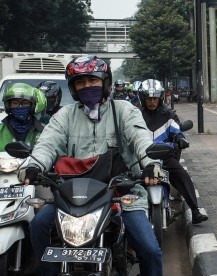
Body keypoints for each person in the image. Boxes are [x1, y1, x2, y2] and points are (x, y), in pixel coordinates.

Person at [20, 55, 163, 276]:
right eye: (80, 82)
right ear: (73, 87)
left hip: (119, 191)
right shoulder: (64, 115)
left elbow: (141, 138)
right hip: (72, 194)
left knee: (150, 250)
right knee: (38, 226)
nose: (87, 86)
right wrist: (34, 165)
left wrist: (151, 164)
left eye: (93, 80)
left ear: (105, 82)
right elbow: (47, 143)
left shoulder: (124, 110)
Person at [139, 79, 208, 224]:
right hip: (141, 158)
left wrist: (180, 139)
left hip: (164, 157)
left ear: (160, 98)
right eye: (149, 99)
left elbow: (176, 130)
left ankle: (195, 211)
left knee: (183, 176)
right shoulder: (135, 115)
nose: (152, 102)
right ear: (143, 99)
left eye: (155, 98)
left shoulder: (168, 115)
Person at [0, 83, 44, 151]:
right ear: (8, 106)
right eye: (15, 103)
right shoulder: (0, 130)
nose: (20, 106)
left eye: (25, 103)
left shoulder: (43, 131)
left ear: (32, 106)